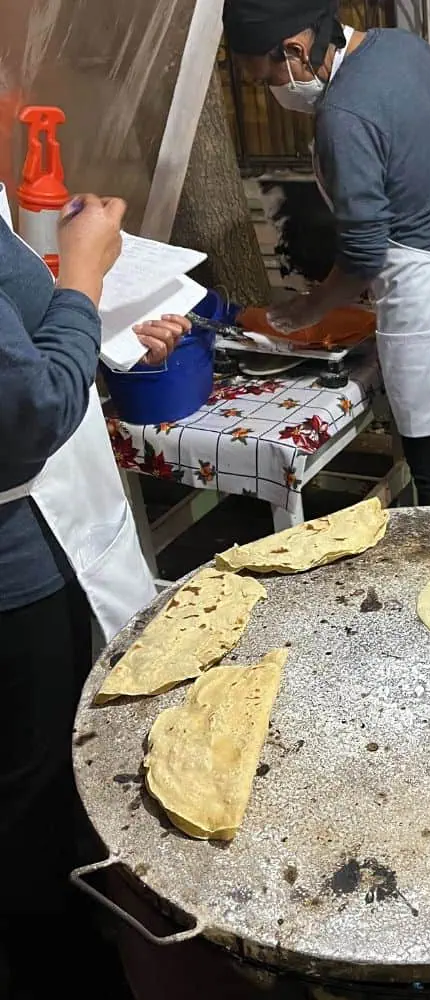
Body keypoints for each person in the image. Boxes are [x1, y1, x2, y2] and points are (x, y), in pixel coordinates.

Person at [0, 185, 190, 999]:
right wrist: (82, 276)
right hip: (19, 570)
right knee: (34, 805)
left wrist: (106, 342)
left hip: (48, 539)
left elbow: (30, 349)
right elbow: (26, 411)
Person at [223, 0, 430, 506]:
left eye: (264, 78)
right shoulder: (400, 46)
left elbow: (364, 253)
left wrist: (309, 309)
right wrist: (420, 159)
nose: (269, 92)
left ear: (295, 50)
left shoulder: (344, 114)